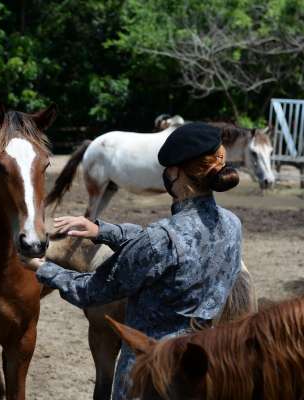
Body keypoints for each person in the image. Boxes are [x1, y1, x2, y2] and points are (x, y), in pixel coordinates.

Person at [23, 123, 243, 399]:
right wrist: (103, 231)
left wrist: (42, 268)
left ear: (176, 173)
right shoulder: (232, 225)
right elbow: (174, 247)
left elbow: (90, 290)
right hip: (200, 366)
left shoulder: (161, 239)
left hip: (148, 373)